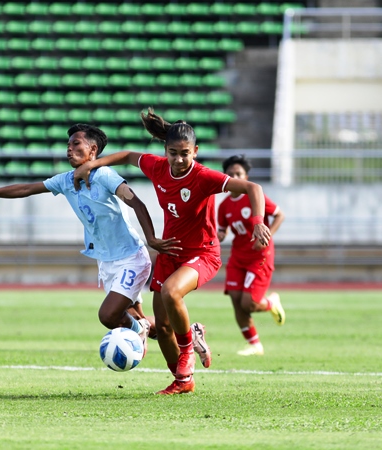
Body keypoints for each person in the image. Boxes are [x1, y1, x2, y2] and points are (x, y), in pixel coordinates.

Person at [73, 108, 272, 395]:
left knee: (170, 291)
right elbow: (129, 156)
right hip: (170, 251)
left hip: (203, 253)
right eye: (173, 153)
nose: (179, 160)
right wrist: (92, 166)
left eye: (185, 153)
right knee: (163, 328)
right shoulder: (157, 167)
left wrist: (256, 222)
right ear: (165, 151)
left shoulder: (204, 177)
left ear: (196, 151)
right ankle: (182, 380)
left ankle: (188, 349)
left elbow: (253, 188)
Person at [0, 124, 180, 354]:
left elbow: (136, 202)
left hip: (130, 257)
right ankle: (189, 333)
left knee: (108, 315)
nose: (69, 149)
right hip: (106, 263)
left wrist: (151, 238)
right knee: (135, 320)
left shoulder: (104, 175)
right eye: (68, 145)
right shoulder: (65, 180)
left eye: (76, 144)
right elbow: (26, 188)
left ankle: (139, 331)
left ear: (93, 150)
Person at [217, 155, 286, 357]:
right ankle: (254, 344)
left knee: (249, 303)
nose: (235, 177)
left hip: (259, 256)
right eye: (230, 174)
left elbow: (280, 215)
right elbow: (224, 230)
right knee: (236, 300)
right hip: (238, 257)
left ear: (245, 176)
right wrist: (220, 234)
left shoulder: (255, 196)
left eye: (238, 174)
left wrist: (266, 235)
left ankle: (271, 302)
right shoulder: (224, 206)